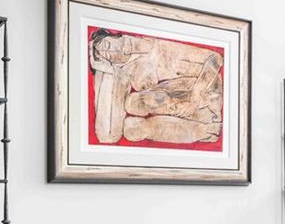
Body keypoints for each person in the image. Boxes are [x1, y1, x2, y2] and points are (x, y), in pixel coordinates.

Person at [90, 28, 223, 145]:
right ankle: (206, 128)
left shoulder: (157, 48)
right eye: (108, 55)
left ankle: (207, 129)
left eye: (108, 45)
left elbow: (215, 58)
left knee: (146, 102)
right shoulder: (126, 70)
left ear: (115, 37)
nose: (112, 51)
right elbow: (108, 133)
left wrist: (194, 99)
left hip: (207, 91)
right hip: (187, 107)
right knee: (133, 126)